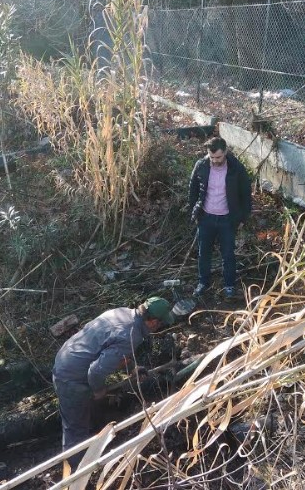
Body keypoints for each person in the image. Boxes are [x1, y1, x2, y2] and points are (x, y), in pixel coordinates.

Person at [52, 297, 174, 466]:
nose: (160, 327)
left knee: (87, 412)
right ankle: (77, 474)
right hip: (71, 376)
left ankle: (92, 442)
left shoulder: (122, 312)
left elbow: (113, 351)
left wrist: (132, 368)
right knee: (75, 429)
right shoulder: (132, 335)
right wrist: (98, 390)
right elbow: (95, 371)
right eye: (160, 323)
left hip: (68, 357)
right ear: (153, 322)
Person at [188, 136, 252, 298]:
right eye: (212, 157)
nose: (215, 160)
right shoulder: (201, 165)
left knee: (228, 255)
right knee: (204, 254)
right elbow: (193, 190)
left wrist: (242, 218)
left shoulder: (236, 168)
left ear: (225, 152)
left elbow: (246, 194)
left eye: (218, 157)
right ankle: (203, 283)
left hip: (227, 220)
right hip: (206, 218)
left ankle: (229, 286)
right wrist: (195, 212)